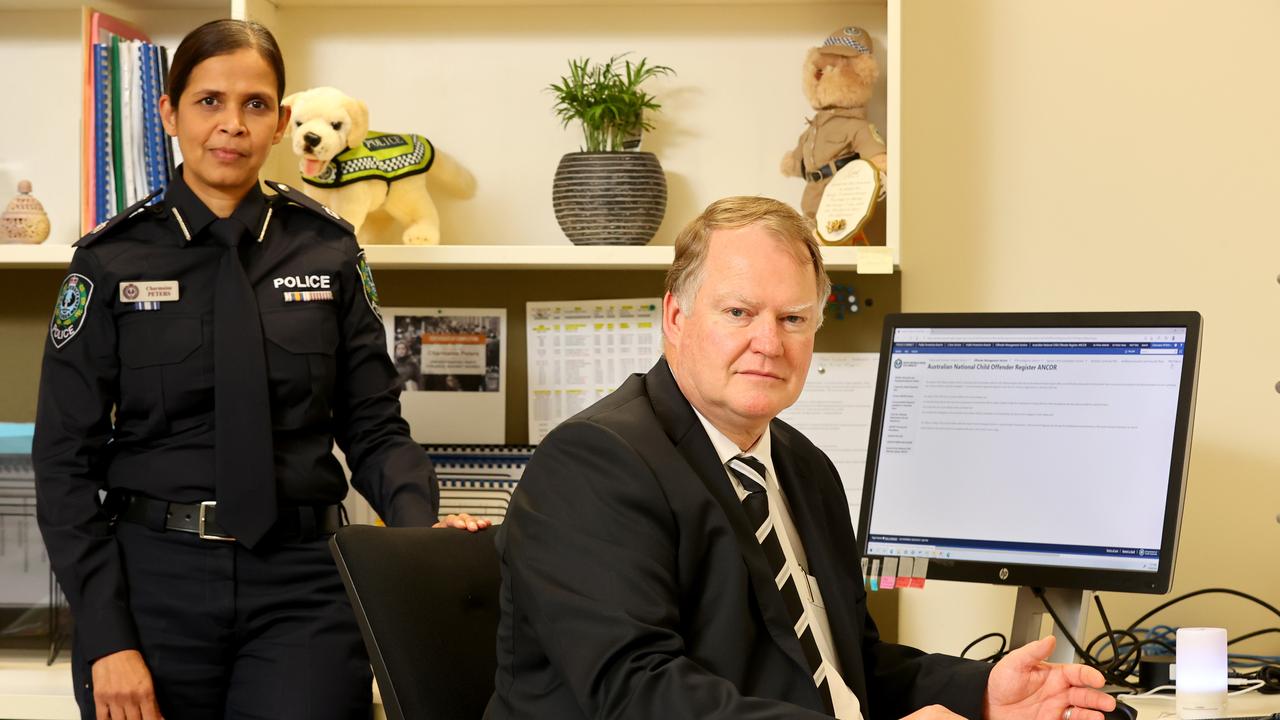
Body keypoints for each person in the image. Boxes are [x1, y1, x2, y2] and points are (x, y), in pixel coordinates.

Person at [490, 196, 1118, 720]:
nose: (769, 342)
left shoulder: (801, 466)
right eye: (739, 313)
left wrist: (981, 693)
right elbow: (637, 691)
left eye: (793, 318)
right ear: (676, 316)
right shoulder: (596, 462)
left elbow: (848, 666)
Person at [32, 19, 488, 720]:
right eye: (208, 101)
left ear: (279, 122)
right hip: (151, 586)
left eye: (253, 105)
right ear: (169, 113)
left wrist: (417, 533)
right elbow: (64, 463)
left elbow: (374, 429)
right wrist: (104, 635)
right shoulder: (110, 261)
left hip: (304, 587)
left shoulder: (330, 252)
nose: (230, 125)